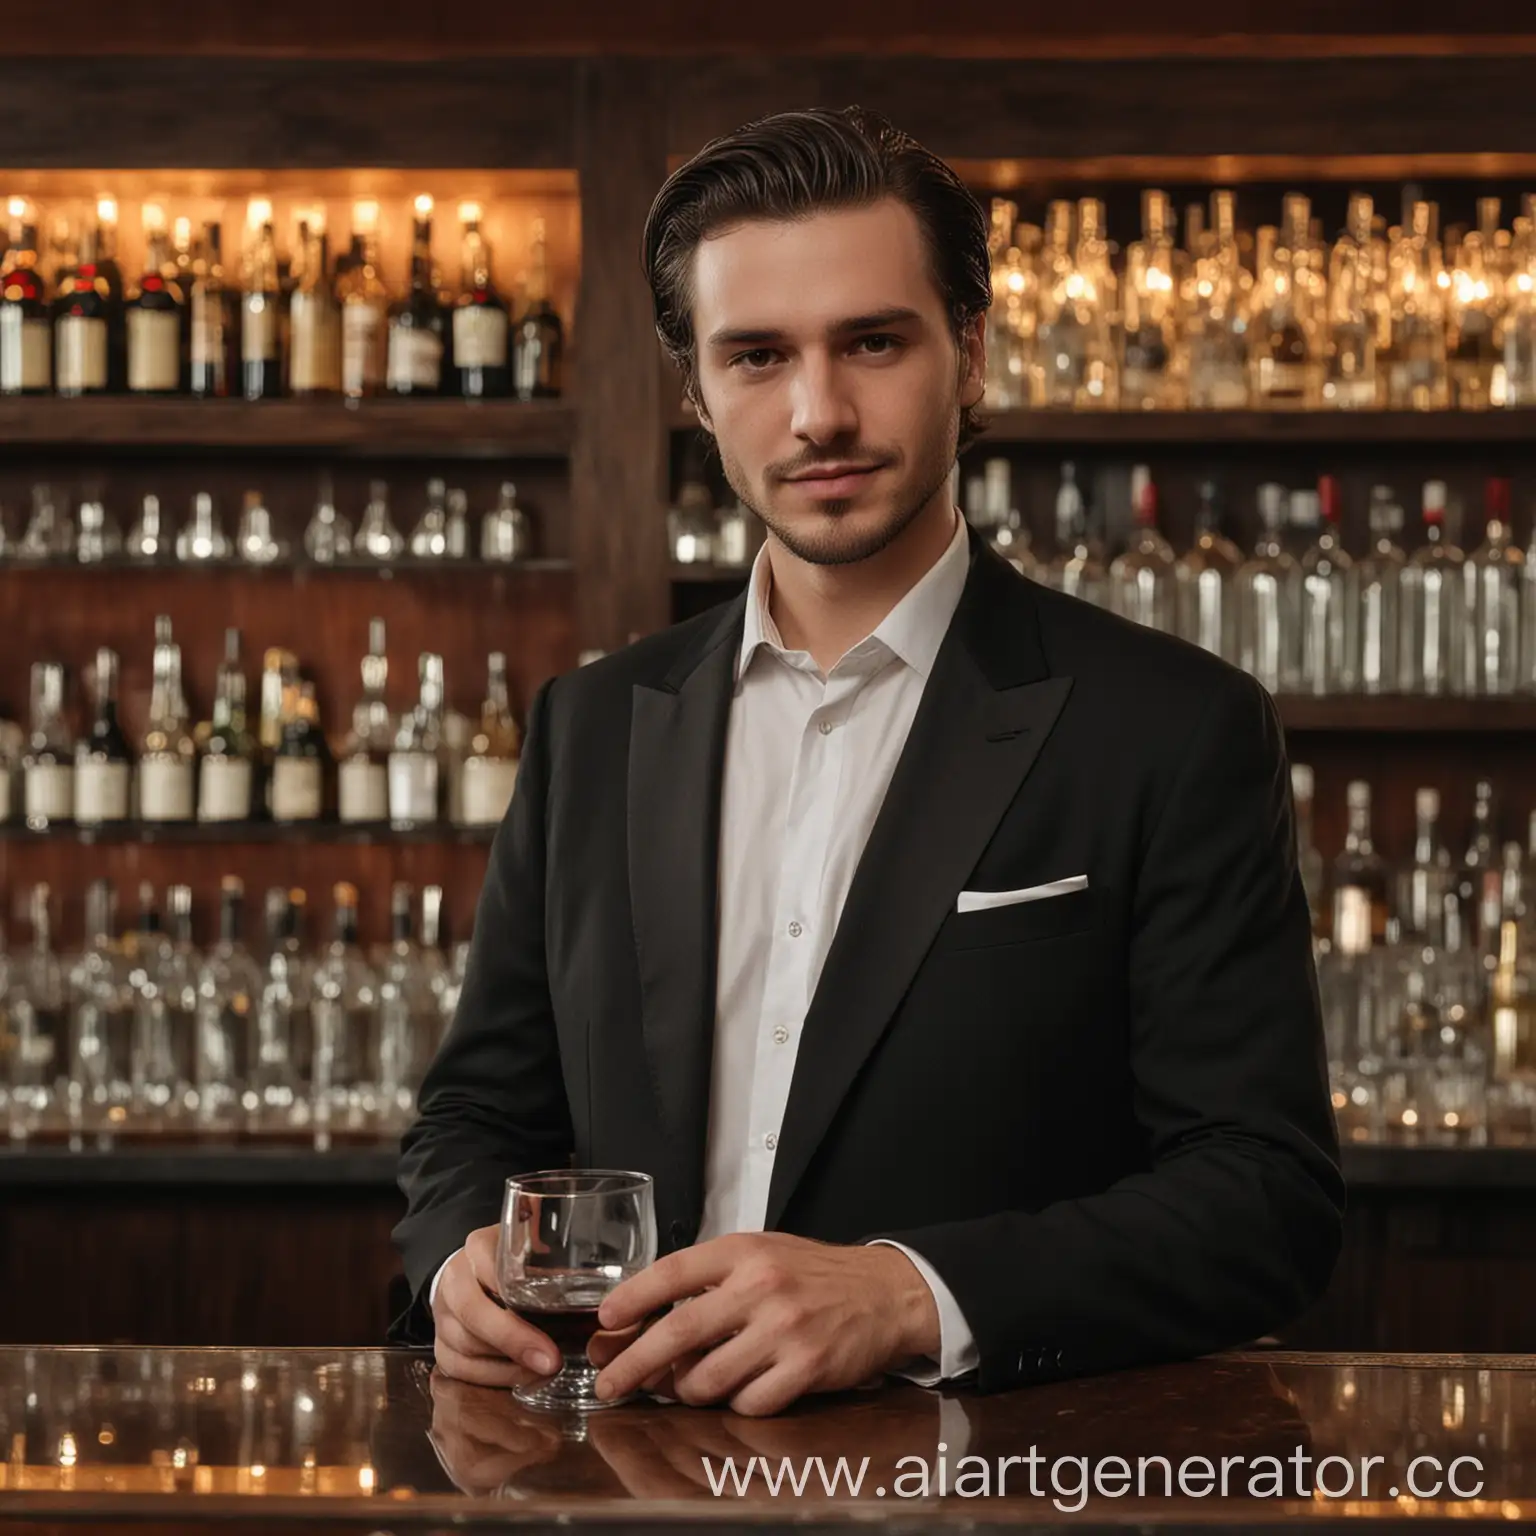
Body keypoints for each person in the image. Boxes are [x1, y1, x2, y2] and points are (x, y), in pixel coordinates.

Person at [390, 105, 1343, 1416]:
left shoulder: (1173, 729)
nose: (818, 412)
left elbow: (1263, 1200)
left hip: (992, 1484)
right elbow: (474, 1118)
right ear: (698, 393)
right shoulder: (594, 725)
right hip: (624, 1480)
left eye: (874, 343)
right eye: (757, 356)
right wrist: (460, 1259)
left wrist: (910, 1293)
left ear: (971, 354)